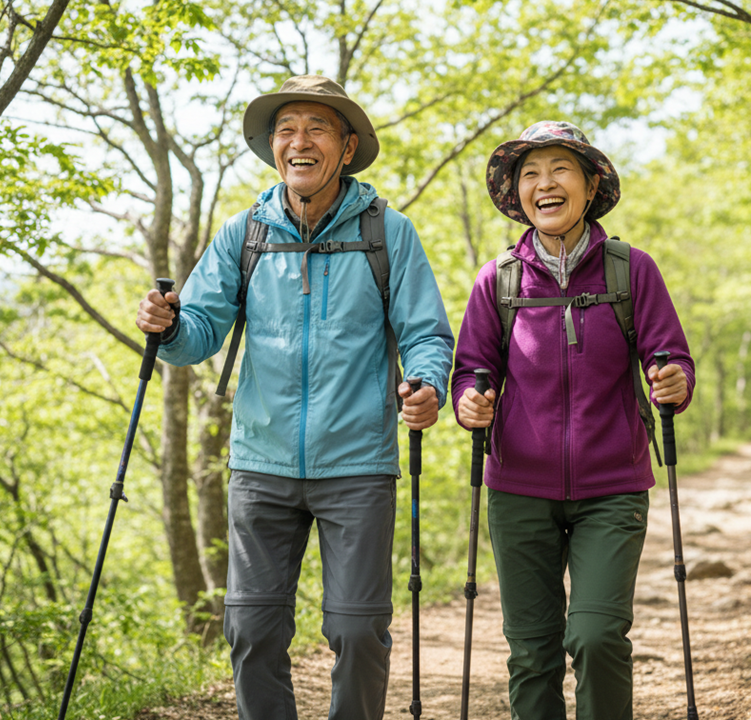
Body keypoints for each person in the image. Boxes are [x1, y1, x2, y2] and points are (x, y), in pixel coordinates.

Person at [136, 75, 454, 720]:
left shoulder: (389, 233)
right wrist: (168, 327)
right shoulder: (244, 235)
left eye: (316, 129)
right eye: (286, 129)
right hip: (261, 462)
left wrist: (426, 385)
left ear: (346, 146)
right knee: (251, 632)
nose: (298, 142)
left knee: (358, 632)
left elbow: (426, 334)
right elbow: (198, 334)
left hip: (359, 463)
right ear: (272, 146)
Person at [451, 120, 694, 720]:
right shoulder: (498, 280)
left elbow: (672, 359)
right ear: (518, 195)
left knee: (596, 636)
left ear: (590, 186)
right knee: (532, 653)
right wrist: (469, 403)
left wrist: (673, 382)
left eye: (560, 169)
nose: (544, 184)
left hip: (613, 487)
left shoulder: (631, 271)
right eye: (530, 173)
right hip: (518, 492)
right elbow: (470, 370)